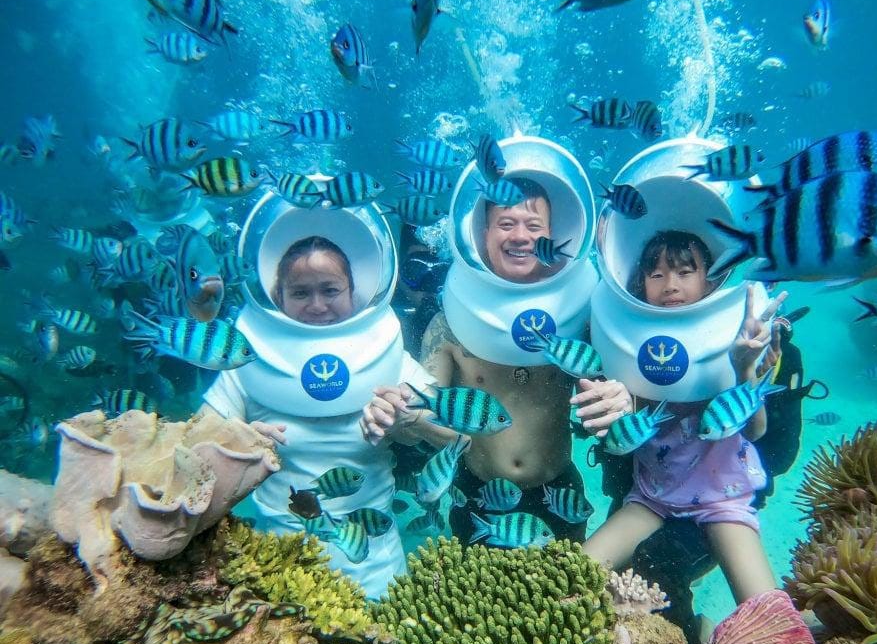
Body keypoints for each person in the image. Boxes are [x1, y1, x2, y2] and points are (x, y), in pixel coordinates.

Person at [361, 170, 627, 544]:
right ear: (482, 234)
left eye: (534, 225)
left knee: (568, 600)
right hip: (477, 492)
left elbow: (609, 399)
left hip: (558, 490)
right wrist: (405, 418)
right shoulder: (451, 321)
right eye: (505, 223)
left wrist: (621, 398)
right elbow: (425, 411)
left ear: (553, 234)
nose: (520, 235)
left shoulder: (577, 315)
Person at [200, 221, 433, 598]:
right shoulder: (247, 361)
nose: (317, 305)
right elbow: (194, 447)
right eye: (300, 292)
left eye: (330, 290)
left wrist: (412, 416)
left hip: (379, 571)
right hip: (276, 570)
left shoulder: (385, 356)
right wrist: (236, 444)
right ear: (277, 296)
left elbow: (459, 432)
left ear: (354, 291)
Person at [582, 230, 785, 617]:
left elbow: (755, 431)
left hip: (723, 498)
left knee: (767, 615)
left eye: (684, 272)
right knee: (574, 574)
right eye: (656, 275)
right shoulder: (627, 341)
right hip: (651, 496)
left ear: (711, 278)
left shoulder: (733, 338)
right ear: (640, 283)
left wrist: (743, 367)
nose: (670, 285)